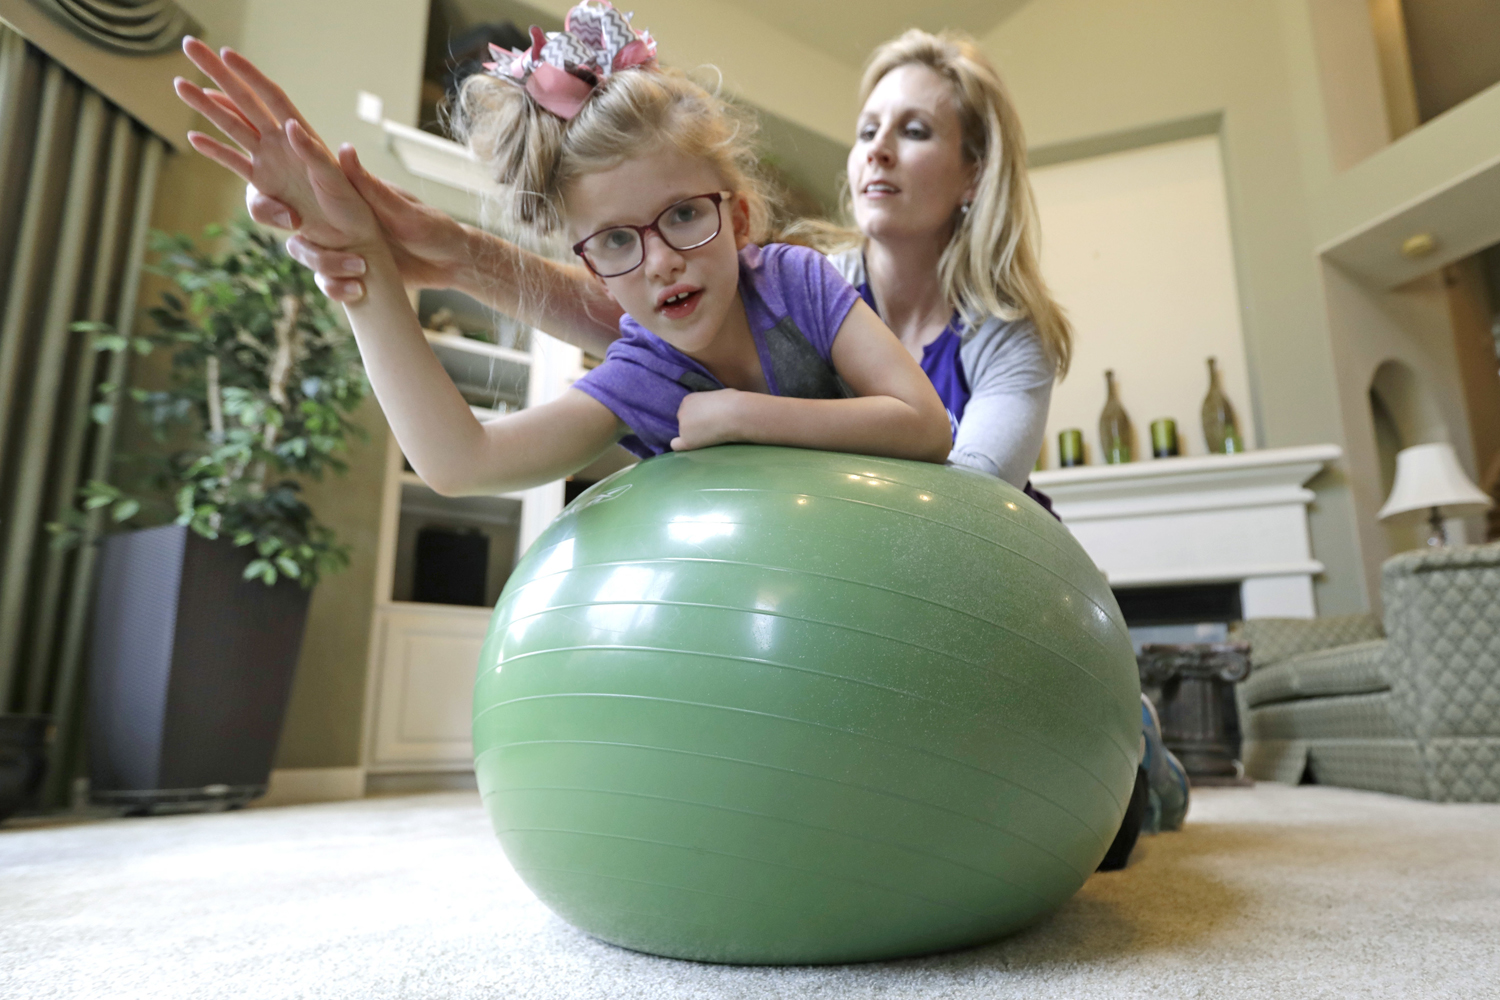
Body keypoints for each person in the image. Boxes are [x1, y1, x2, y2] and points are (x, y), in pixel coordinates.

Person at [231, 30, 1067, 493]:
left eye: (914, 131)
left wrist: (742, 414)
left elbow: (944, 451)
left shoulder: (801, 281)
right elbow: (467, 457)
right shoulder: (698, 323)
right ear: (597, 263)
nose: (662, 260)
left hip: (963, 570)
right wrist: (369, 263)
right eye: (867, 128)